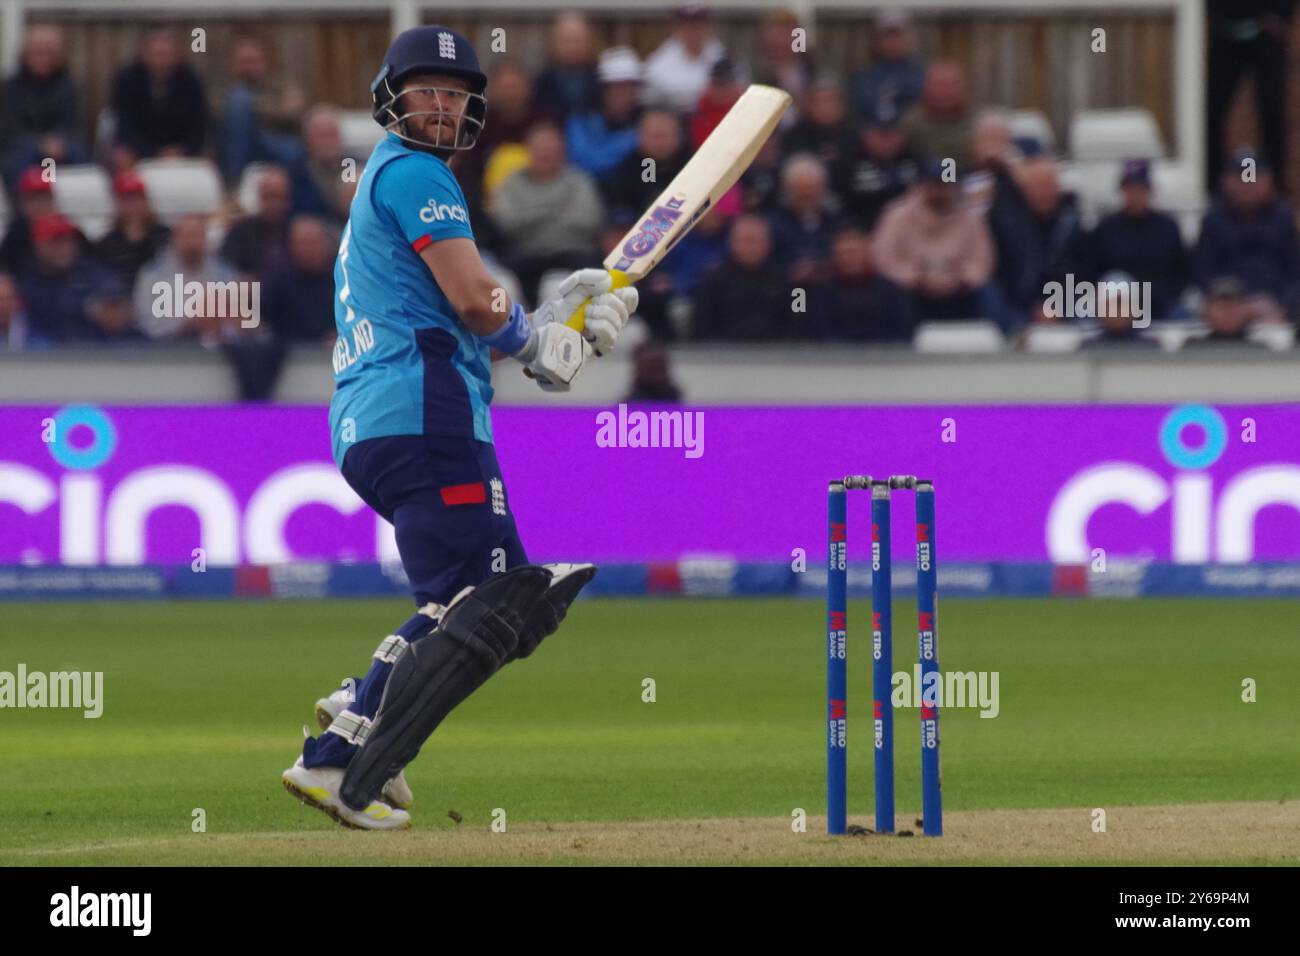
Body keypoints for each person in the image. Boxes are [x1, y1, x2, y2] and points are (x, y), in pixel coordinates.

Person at [280, 26, 636, 830]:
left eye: (456, 93)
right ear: (391, 97)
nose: (441, 106)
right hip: (424, 415)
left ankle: (366, 706)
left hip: (386, 419)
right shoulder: (416, 175)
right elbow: (479, 307)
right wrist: (539, 337)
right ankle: (337, 756)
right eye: (425, 90)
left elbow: (456, 316)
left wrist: (551, 323)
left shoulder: (390, 180)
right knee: (484, 598)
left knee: (502, 597)